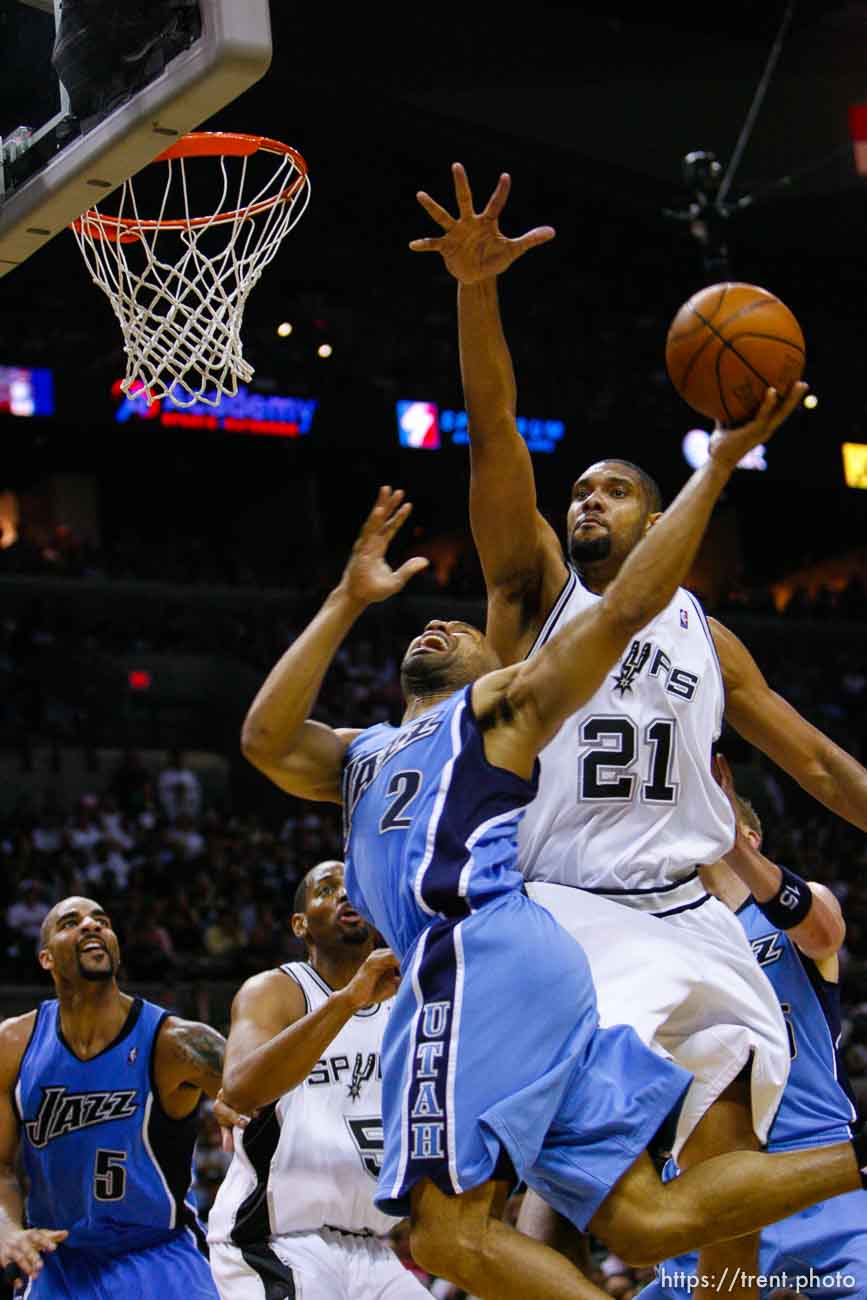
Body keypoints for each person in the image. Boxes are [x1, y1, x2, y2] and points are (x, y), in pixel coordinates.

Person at [240, 473, 867, 1300]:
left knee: (445, 1234)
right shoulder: (365, 754)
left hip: (494, 950)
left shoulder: (499, 714)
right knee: (640, 1222)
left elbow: (607, 616)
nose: (438, 622)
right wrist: (346, 599)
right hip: (516, 954)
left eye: (464, 627)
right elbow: (263, 738)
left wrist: (719, 465)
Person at [409, 161, 867, 1279]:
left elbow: (808, 756)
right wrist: (478, 289)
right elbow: (493, 426)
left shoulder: (708, 635)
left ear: (662, 519)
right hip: (571, 911)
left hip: (691, 912)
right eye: (583, 494)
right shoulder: (534, 594)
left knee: (731, 1182)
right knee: (629, 1210)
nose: (587, 500)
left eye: (614, 491)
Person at [643, 757, 866, 1300]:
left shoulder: (792, 910)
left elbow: (824, 931)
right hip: (707, 1179)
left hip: (815, 1162)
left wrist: (730, 846)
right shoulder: (650, 941)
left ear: (752, 835)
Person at [207, 858, 430, 1300]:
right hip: (274, 1241)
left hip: (372, 1248)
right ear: (300, 925)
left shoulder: (410, 1002)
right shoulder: (276, 991)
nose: (346, 895)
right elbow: (241, 1090)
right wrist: (347, 1000)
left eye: (356, 887)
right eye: (327, 890)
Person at [0, 894, 227, 1298]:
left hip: (158, 1255)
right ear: (46, 958)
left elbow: (264, 1101)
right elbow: (0, 1167)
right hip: (58, 1261)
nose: (91, 925)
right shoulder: (13, 1045)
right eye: (71, 922)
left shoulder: (177, 1043)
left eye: (101, 920)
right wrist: (7, 1228)